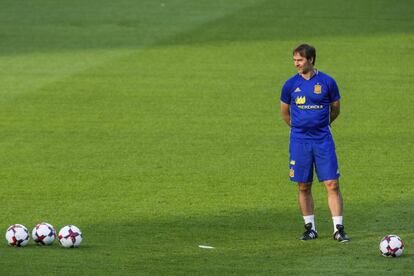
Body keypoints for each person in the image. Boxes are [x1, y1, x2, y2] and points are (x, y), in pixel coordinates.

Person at [280, 44, 349, 242]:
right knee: (303, 185)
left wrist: (321, 125)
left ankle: (338, 229)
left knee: (332, 184)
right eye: (294, 60)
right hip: (299, 141)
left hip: (322, 140)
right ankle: (310, 228)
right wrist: (299, 128)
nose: (296, 64)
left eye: (299, 60)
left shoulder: (327, 82)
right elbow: (285, 113)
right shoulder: (290, 85)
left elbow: (335, 109)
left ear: (310, 60)